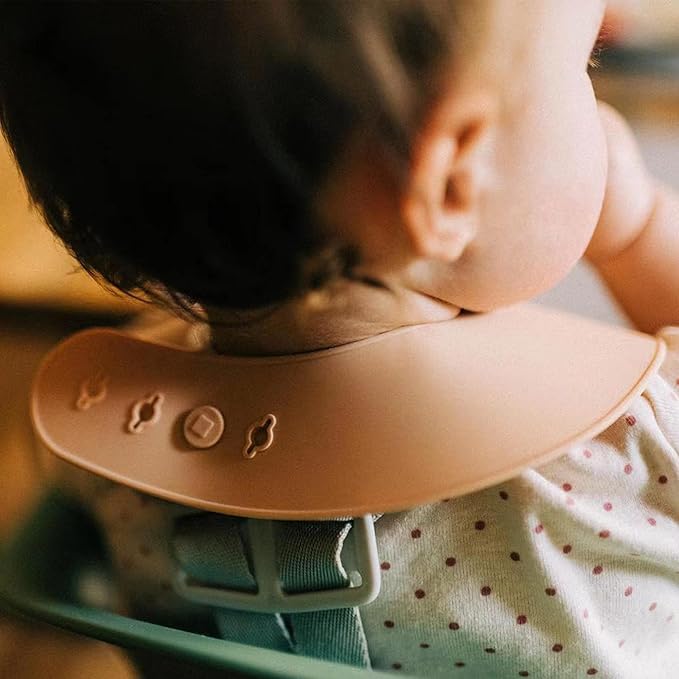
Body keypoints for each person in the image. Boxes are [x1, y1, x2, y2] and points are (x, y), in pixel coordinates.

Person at [2, 1, 679, 676]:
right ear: (451, 181)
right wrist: (637, 230)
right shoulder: (635, 448)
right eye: (581, 65)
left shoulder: (102, 447)